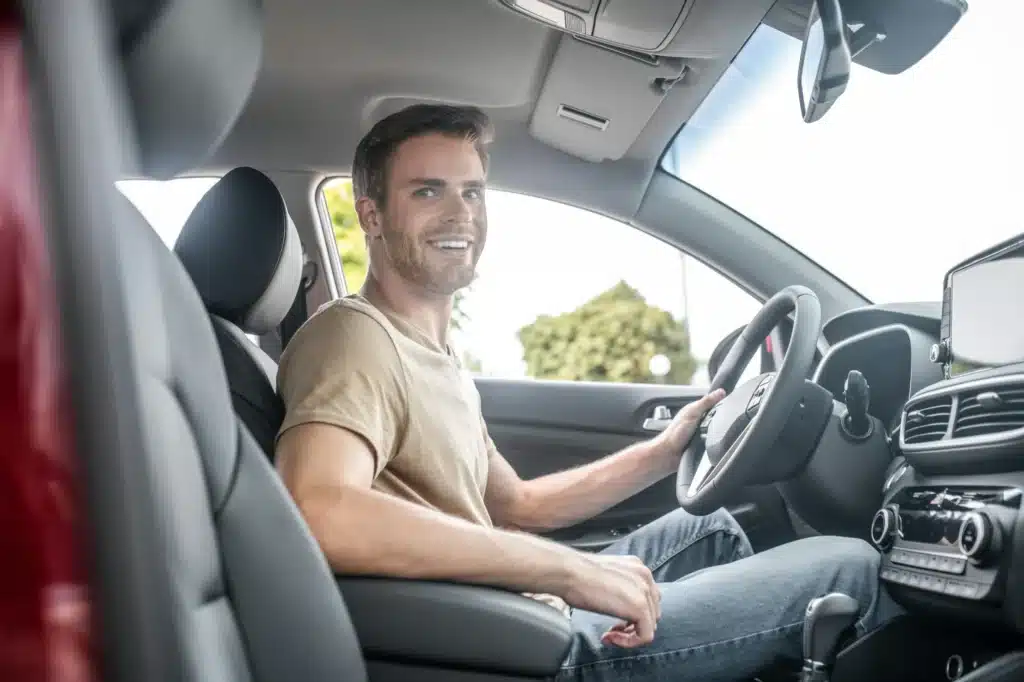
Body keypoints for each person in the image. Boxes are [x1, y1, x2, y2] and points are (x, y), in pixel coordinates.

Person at [274, 103, 903, 682]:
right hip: (517, 648)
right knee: (848, 565)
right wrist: (571, 571)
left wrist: (661, 452)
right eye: (428, 190)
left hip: (514, 612)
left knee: (711, 523)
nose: (459, 212)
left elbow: (517, 504)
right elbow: (320, 510)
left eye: (471, 190)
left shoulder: (432, 354)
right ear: (372, 214)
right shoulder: (352, 339)